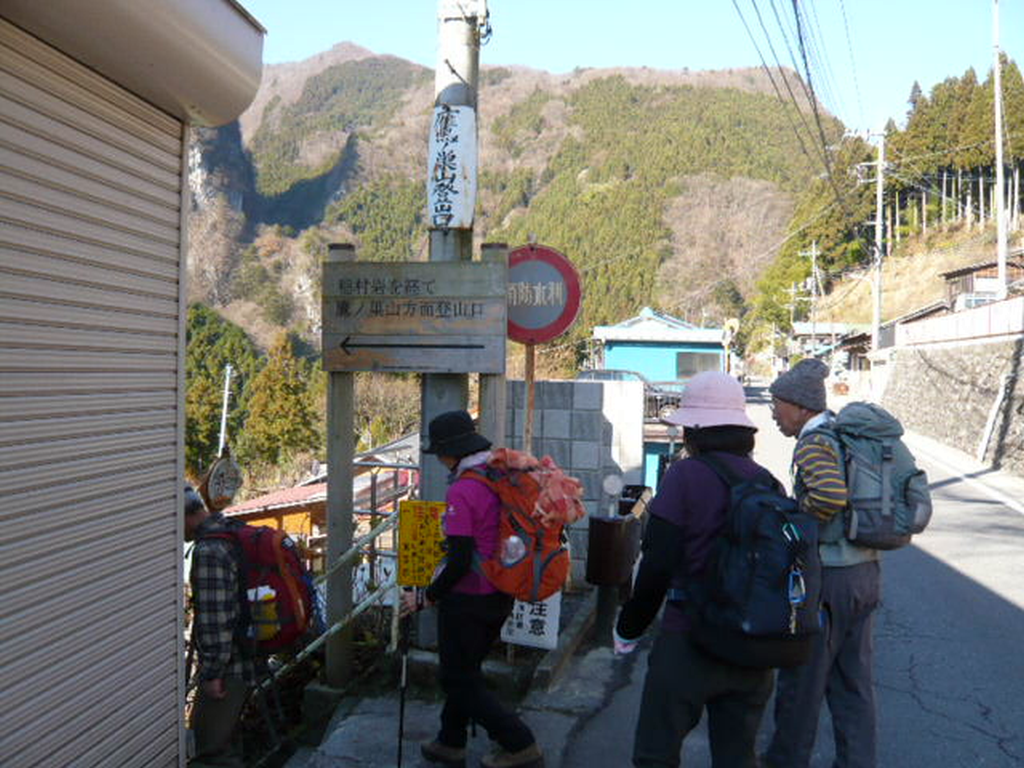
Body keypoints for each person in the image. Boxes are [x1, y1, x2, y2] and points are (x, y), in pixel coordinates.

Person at [614, 371, 776, 768]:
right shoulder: (768, 483)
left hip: (690, 640)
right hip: (753, 646)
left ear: (694, 430)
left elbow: (658, 564)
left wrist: (629, 628)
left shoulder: (684, 475)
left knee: (656, 754)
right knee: (737, 757)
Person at [402, 410, 543, 768]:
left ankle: (520, 743)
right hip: (501, 589)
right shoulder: (498, 475)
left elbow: (461, 559)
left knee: (457, 678)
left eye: (438, 453)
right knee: (466, 670)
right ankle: (450, 741)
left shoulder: (464, 489)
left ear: (449, 452)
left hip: (469, 598)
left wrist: (426, 596)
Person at [763, 358, 881, 768]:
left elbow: (830, 497)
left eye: (776, 405)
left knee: (803, 682)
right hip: (865, 573)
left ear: (799, 405)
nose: (774, 414)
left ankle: (785, 761)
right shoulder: (844, 436)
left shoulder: (814, 442)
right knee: (853, 685)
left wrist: (799, 516)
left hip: (828, 579)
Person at [185, 483, 255, 768]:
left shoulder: (209, 550)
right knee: (228, 739)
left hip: (229, 668)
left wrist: (212, 674)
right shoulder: (231, 530)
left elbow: (216, 617)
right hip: (250, 652)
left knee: (209, 750)